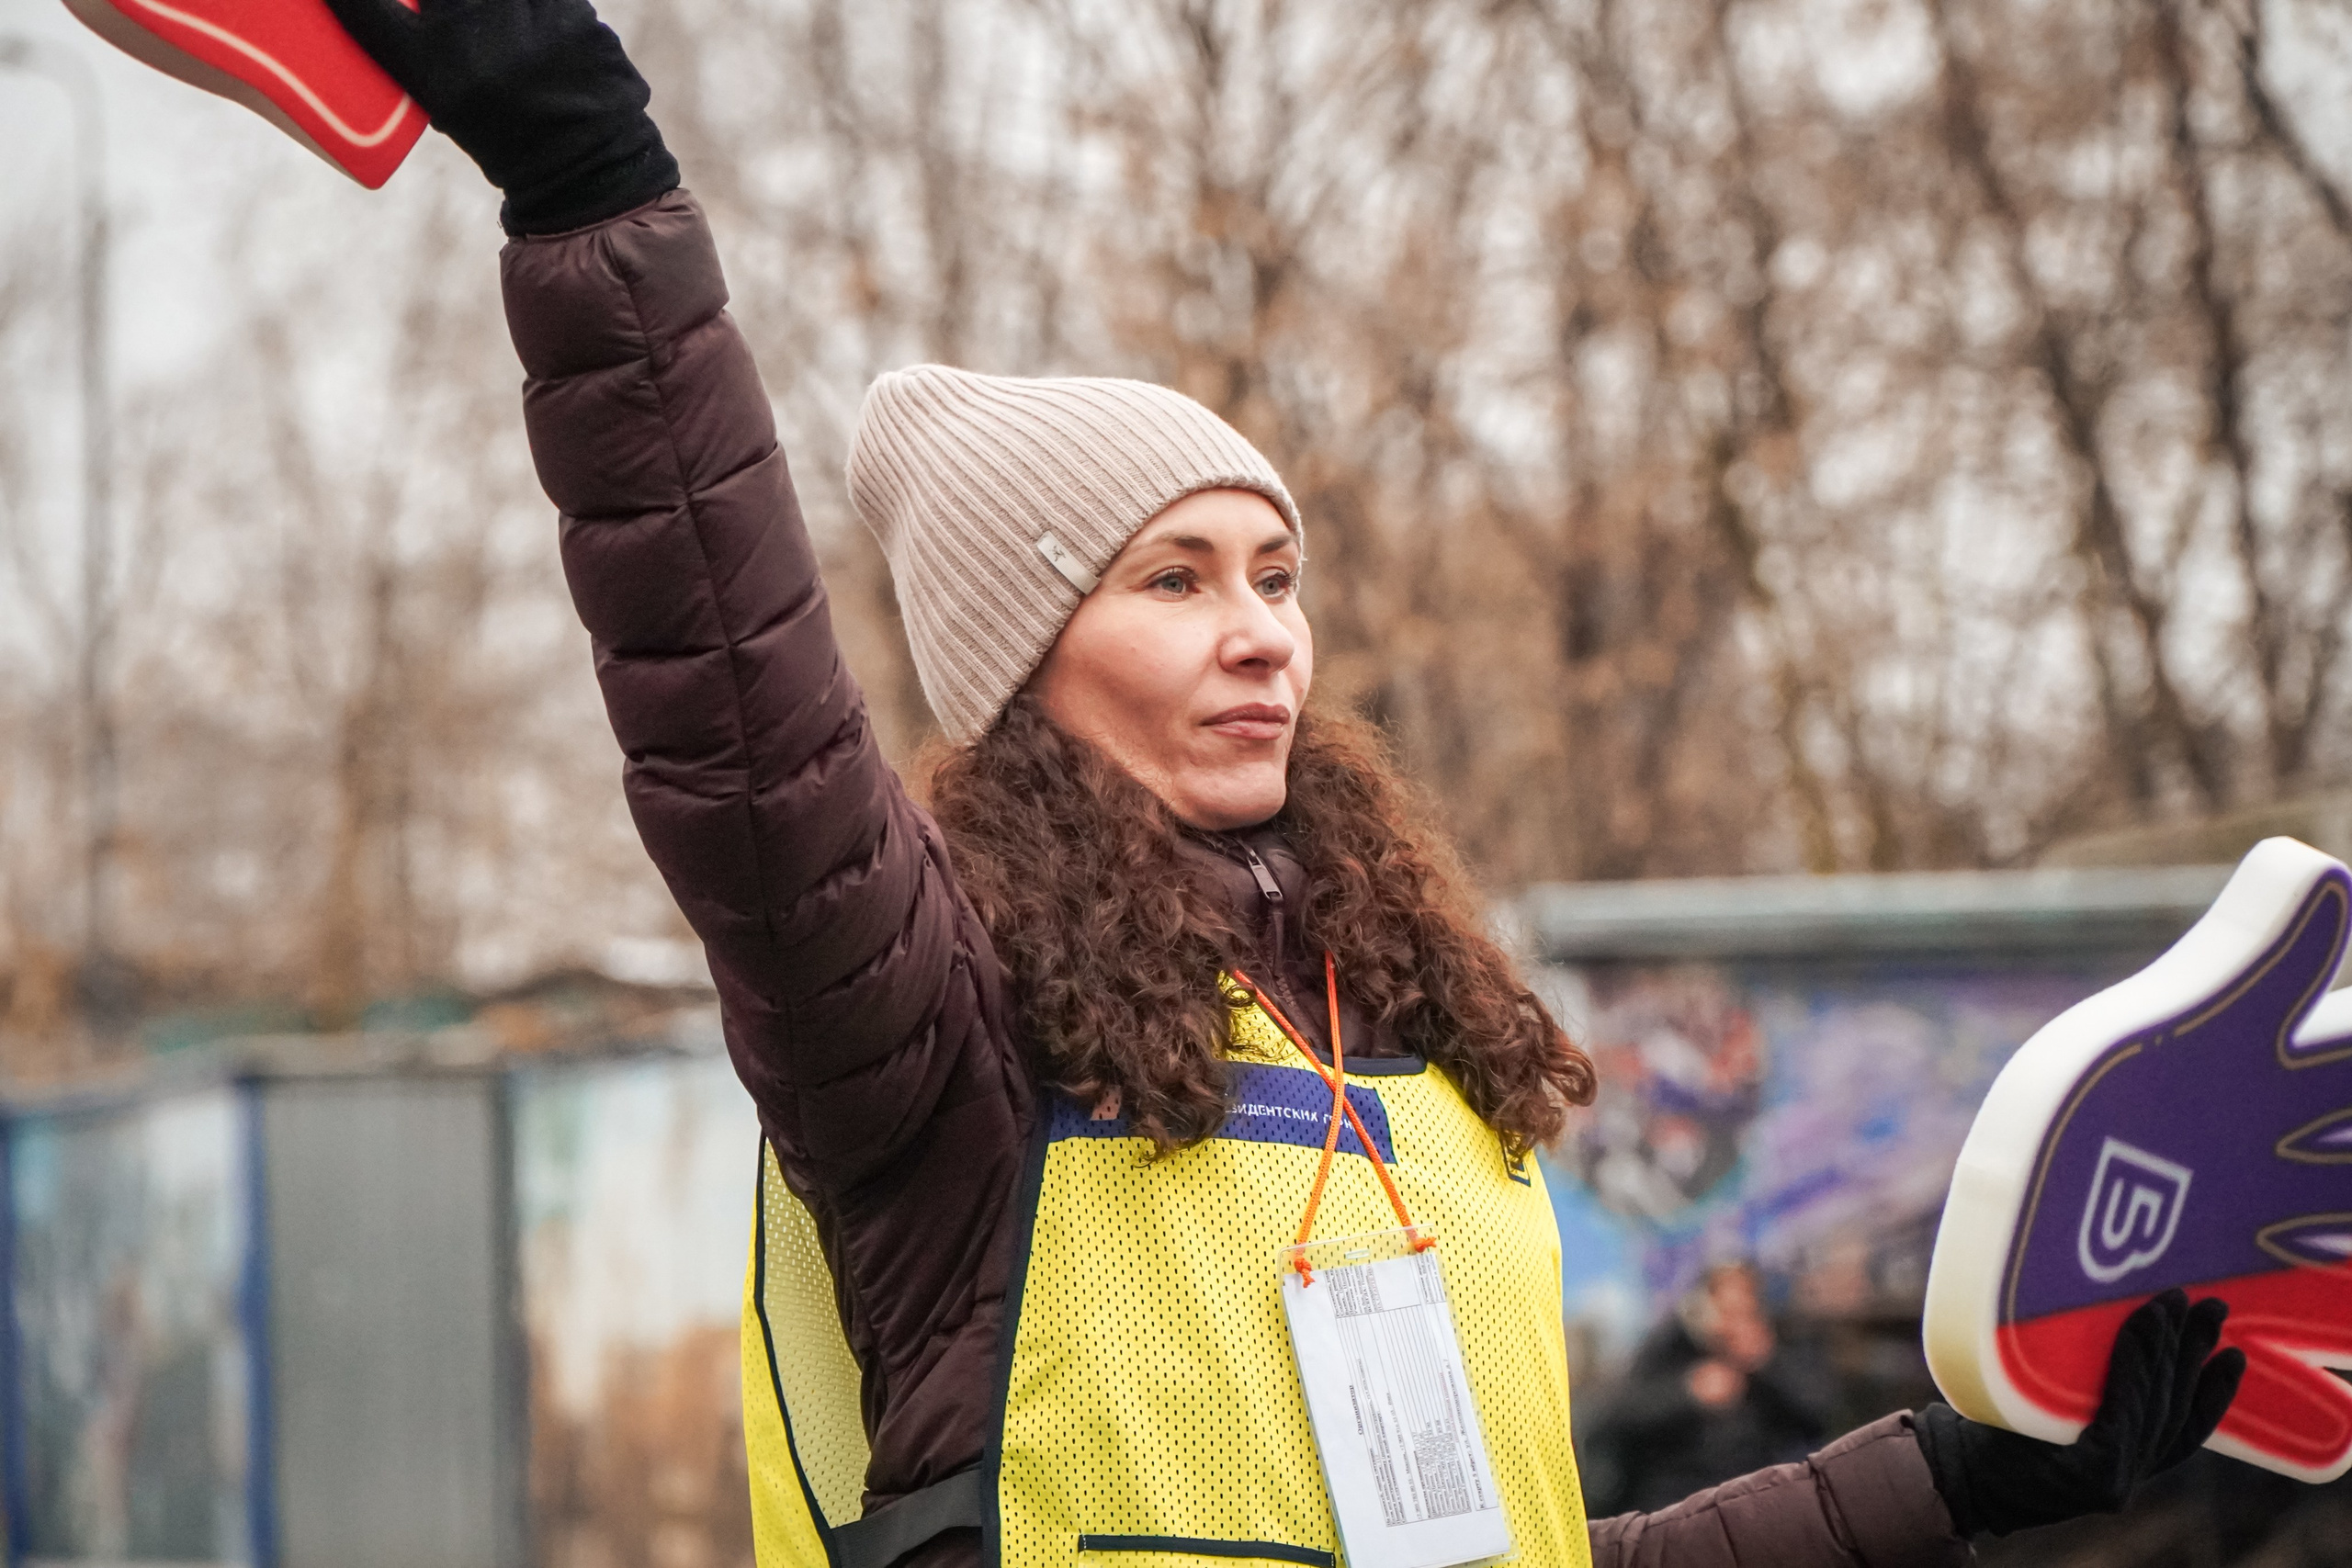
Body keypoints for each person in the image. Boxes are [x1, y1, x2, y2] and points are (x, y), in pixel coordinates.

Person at [317, 4, 2249, 1567]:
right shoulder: (928, 1038)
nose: (1263, 634)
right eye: (1171, 581)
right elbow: (737, 715)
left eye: (1277, 574)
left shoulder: (1403, 1060)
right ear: (1021, 665)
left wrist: (1964, 1474)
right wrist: (600, 201)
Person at [1582, 1263, 1836, 1517]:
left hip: (1754, 1501)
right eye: (1724, 1309)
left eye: (1743, 1310)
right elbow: (1616, 1417)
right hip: (1670, 1505)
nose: (1732, 1323)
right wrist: (1688, 1392)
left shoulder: (1784, 1343)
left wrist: (1765, 1364)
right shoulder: (1670, 1346)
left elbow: (1819, 1418)